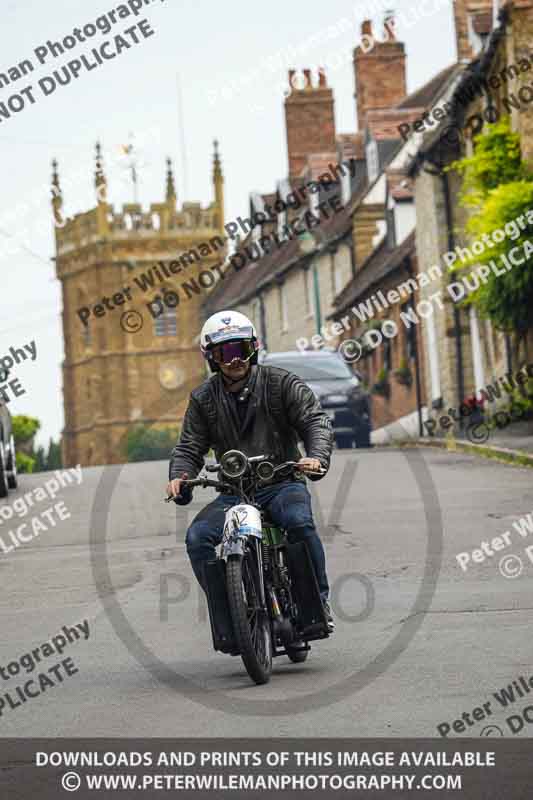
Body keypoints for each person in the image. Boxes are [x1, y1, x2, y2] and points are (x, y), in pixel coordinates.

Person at [166, 310, 334, 631]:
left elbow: (314, 420)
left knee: (299, 523)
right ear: (211, 357)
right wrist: (180, 475)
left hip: (282, 484)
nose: (234, 360)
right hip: (234, 494)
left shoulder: (281, 383)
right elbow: (189, 446)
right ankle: (230, 619)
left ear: (253, 349)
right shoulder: (203, 399)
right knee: (198, 538)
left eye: (241, 350)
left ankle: (317, 602)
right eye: (224, 353)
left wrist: (316, 456)